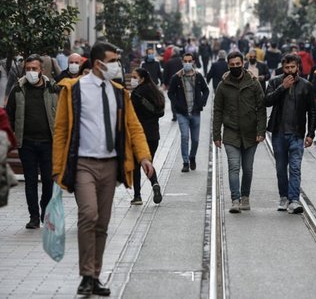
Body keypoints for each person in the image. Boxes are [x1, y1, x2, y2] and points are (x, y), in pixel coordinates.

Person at [52, 41, 154, 297]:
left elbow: (134, 127)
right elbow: (62, 130)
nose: (116, 65)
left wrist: (144, 157)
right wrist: (56, 169)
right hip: (83, 163)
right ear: (98, 63)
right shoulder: (73, 91)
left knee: (103, 223)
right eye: (112, 61)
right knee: (88, 215)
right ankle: (86, 275)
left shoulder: (119, 93)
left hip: (110, 165)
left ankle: (95, 276)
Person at [6, 54, 59, 228]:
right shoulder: (18, 89)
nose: (30, 72)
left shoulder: (53, 89)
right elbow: (10, 116)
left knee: (48, 181)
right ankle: (34, 217)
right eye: (28, 69)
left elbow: (59, 114)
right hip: (26, 143)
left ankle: (45, 211)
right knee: (30, 181)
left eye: (34, 69)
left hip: (48, 143)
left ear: (41, 70)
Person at [213, 51, 266, 213]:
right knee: (234, 167)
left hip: (250, 133)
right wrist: (216, 135)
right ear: (228, 66)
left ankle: (245, 197)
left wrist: (261, 130)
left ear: (243, 63)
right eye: (232, 65)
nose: (235, 67)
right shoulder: (222, 86)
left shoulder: (253, 83)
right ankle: (235, 199)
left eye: (238, 64)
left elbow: (261, 108)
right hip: (231, 133)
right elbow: (218, 111)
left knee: (248, 168)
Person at [265, 54, 316, 214]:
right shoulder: (274, 82)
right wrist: (283, 87)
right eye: (286, 68)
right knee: (281, 168)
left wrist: (311, 134)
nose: (289, 70)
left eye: (292, 67)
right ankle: (283, 197)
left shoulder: (306, 85)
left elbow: (312, 111)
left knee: (295, 168)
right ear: (282, 67)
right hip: (279, 133)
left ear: (298, 67)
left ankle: (294, 199)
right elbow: (266, 101)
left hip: (297, 134)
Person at [168, 52, 209, 172]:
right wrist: (177, 105)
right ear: (182, 62)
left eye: (189, 61)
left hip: (195, 112)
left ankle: (192, 157)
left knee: (195, 140)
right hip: (182, 113)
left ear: (193, 62)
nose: (187, 63)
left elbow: (206, 90)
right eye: (185, 61)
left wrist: (201, 103)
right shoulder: (177, 77)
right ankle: (185, 162)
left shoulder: (198, 76)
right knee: (185, 137)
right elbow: (170, 93)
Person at [130, 68, 164, 205]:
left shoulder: (136, 94)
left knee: (136, 165)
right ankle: (154, 183)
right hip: (154, 135)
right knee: (147, 162)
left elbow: (131, 116)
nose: (132, 79)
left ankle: (137, 196)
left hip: (140, 135)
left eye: (134, 77)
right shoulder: (156, 91)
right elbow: (160, 113)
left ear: (142, 78)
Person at [163, 47, 183, 121]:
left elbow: (165, 74)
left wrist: (164, 83)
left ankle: (175, 115)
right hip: (182, 82)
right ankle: (180, 112)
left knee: (173, 99)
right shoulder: (182, 61)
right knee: (181, 97)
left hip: (171, 84)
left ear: (173, 53)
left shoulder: (169, 62)